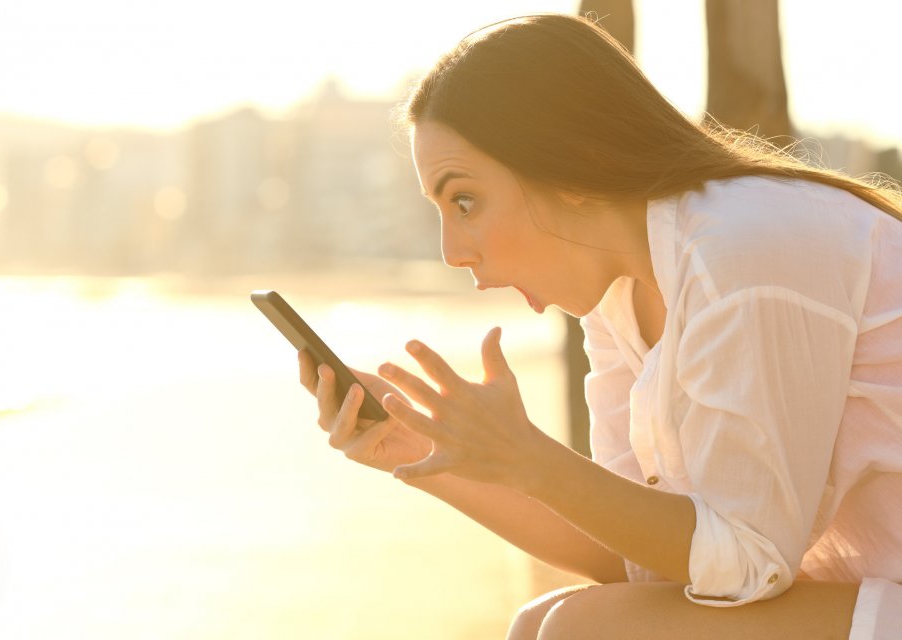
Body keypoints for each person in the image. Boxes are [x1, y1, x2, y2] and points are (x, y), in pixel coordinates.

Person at [297, 13, 902, 640]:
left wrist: (528, 458)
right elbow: (636, 562)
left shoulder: (742, 252)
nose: (451, 250)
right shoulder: (621, 298)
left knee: (574, 630)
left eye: (465, 201)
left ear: (572, 166)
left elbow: (747, 562)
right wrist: (428, 452)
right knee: (546, 622)